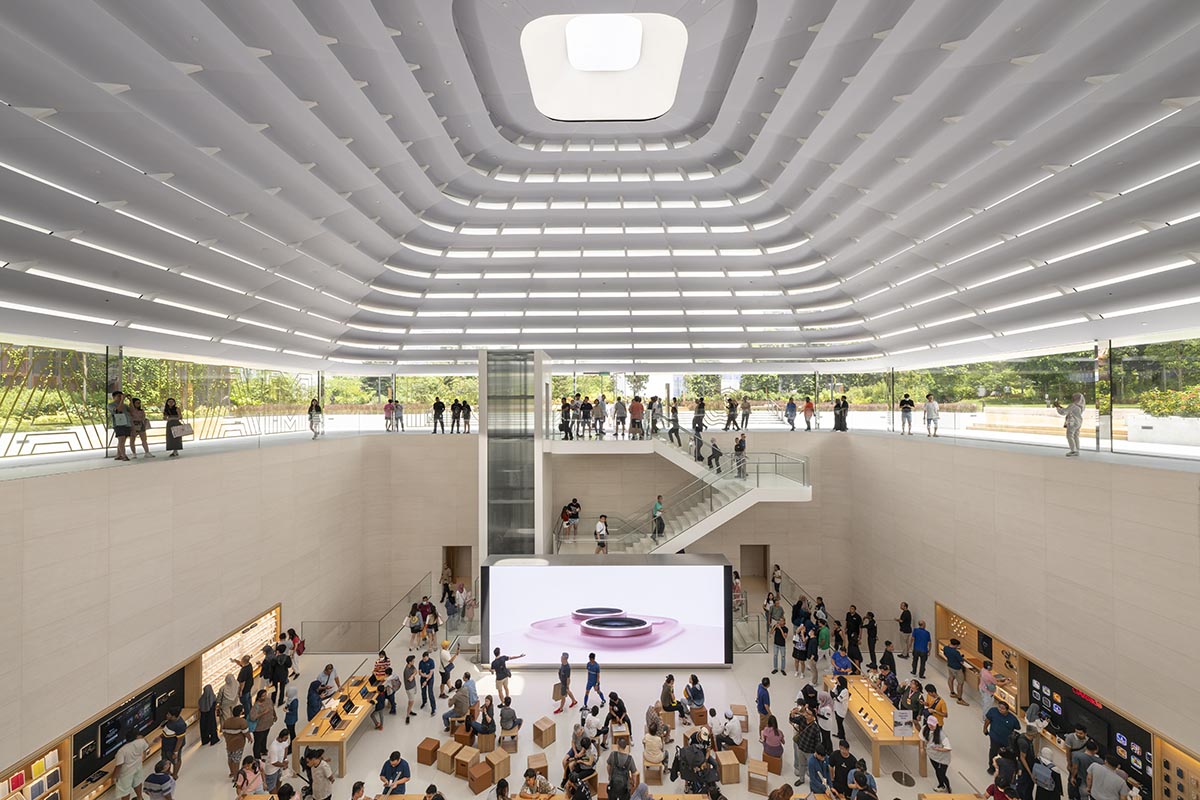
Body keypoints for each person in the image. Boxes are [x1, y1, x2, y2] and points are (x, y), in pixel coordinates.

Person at [984, 701, 1023, 772]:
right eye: (999, 707)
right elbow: (987, 720)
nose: (1000, 709)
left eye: (1003, 708)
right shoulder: (993, 711)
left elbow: (1018, 727)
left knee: (1007, 755)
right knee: (993, 752)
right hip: (994, 737)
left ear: (1007, 710)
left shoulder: (1012, 719)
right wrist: (985, 728)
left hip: (1006, 740)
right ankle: (991, 767)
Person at [113, 726, 149, 800]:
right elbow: (146, 747)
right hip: (138, 766)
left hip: (126, 772)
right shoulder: (141, 741)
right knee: (137, 782)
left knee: (125, 790)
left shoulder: (122, 750)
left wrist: (114, 776)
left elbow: (119, 765)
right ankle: (140, 797)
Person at [921, 715, 953, 792]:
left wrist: (939, 749)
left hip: (942, 759)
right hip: (932, 756)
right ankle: (941, 785)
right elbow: (921, 738)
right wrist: (922, 748)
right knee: (937, 771)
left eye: (932, 725)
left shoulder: (942, 735)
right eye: (929, 724)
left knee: (941, 774)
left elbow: (948, 748)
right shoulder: (925, 729)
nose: (930, 726)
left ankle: (948, 788)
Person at [793, 705, 820, 788]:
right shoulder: (802, 719)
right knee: (801, 764)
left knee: (811, 767)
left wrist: (816, 753)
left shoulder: (816, 728)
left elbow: (818, 742)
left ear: (813, 717)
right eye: (806, 712)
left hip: (810, 752)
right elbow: (792, 720)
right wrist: (792, 714)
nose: (806, 715)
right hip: (801, 747)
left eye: (808, 714)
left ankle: (813, 781)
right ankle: (801, 779)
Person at [249, 690, 276, 759]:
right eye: (263, 696)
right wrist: (263, 713)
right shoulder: (256, 706)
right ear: (259, 697)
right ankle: (257, 757)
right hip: (259, 728)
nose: (265, 697)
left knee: (264, 737)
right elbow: (252, 717)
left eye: (265, 695)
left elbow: (272, 708)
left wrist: (274, 715)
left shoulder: (268, 700)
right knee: (258, 742)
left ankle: (263, 750)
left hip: (267, 724)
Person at [941, 638, 969, 705]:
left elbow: (945, 654)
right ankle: (959, 699)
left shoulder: (945, 648)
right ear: (956, 645)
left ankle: (952, 693)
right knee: (960, 683)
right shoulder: (956, 652)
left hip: (949, 666)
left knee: (951, 678)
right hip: (957, 669)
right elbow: (961, 662)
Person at [107, 390, 132, 461]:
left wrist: (130, 401)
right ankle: (123, 455)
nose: (120, 398)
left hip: (126, 423)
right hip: (118, 424)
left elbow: (132, 411)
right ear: (113, 397)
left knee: (123, 441)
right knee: (121, 440)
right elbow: (119, 410)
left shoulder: (125, 405)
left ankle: (118, 455)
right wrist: (122, 400)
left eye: (121, 396)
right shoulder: (110, 405)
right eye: (119, 396)